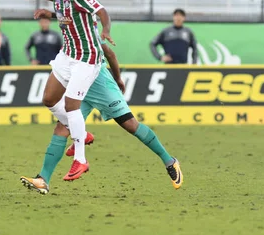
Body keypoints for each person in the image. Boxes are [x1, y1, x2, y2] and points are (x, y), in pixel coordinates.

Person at [20, 42, 183, 194]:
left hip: (101, 86)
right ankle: (43, 179)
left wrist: (118, 78)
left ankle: (169, 161)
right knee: (62, 127)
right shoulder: (70, 29)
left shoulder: (87, 27)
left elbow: (110, 54)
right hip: (81, 86)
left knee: (131, 125)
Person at [22, 0, 114, 181]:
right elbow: (62, 4)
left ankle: (80, 160)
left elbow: (101, 11)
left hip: (86, 56)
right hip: (68, 54)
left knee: (72, 105)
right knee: (49, 99)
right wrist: (42, 0)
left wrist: (106, 30)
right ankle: (79, 132)